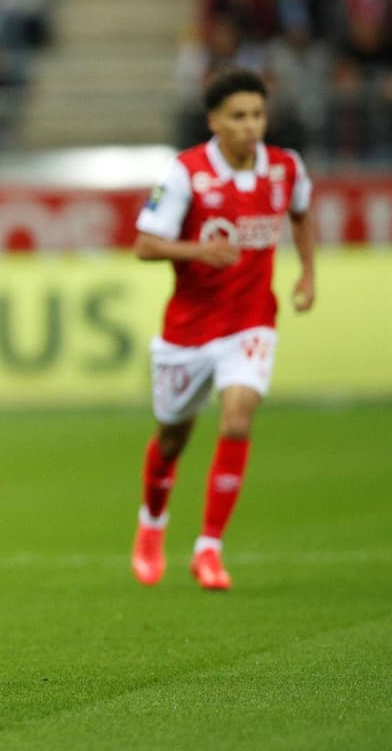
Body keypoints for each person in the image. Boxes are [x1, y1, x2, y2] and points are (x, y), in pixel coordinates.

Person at [130, 68, 316, 591]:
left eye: (258, 114)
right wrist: (197, 251)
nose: (251, 126)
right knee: (171, 439)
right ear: (215, 121)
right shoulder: (186, 172)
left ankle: (209, 548)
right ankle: (152, 524)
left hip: (251, 321)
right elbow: (145, 244)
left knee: (237, 419)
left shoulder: (285, 168)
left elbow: (301, 215)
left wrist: (308, 273)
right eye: (238, 116)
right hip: (188, 331)